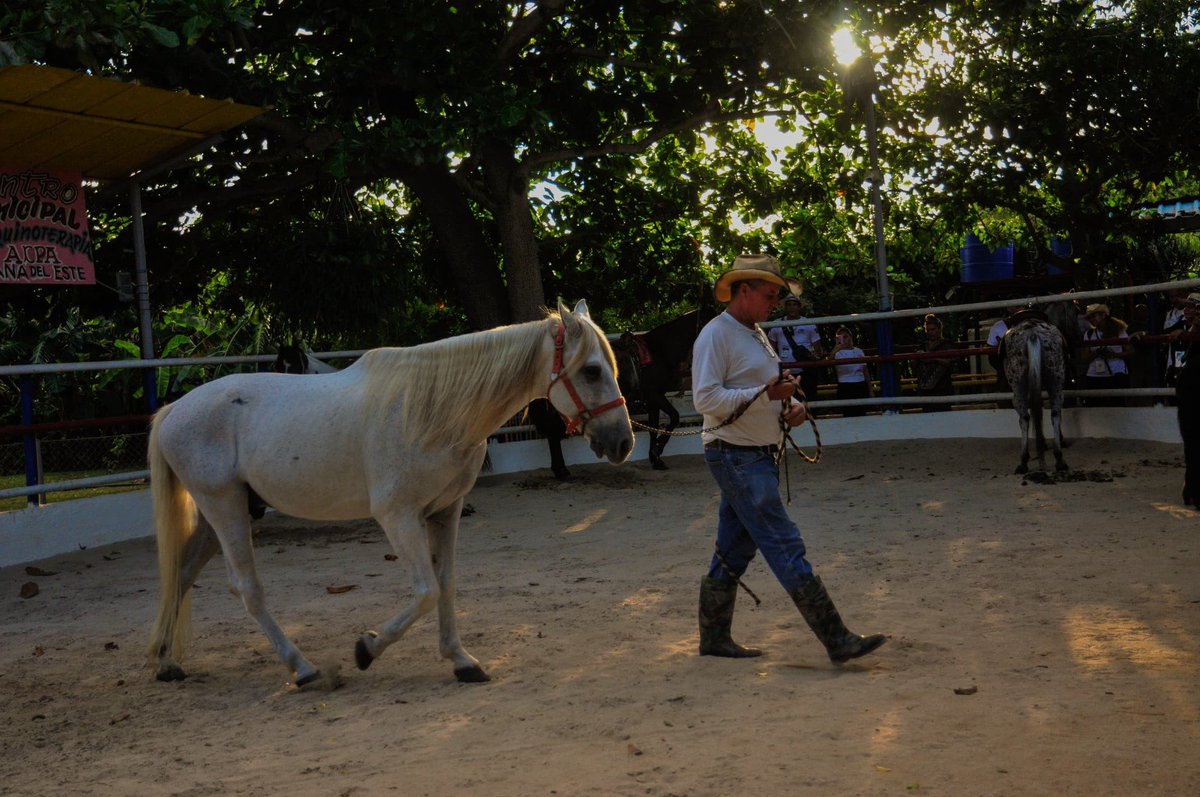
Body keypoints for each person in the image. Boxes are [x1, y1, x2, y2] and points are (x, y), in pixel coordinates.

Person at [692, 253, 886, 663]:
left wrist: (792, 405)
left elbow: (766, 389)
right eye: (770, 295)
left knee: (734, 548)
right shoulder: (716, 335)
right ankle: (836, 639)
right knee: (783, 540)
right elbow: (705, 399)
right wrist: (767, 396)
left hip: (752, 454)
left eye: (778, 296)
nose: (775, 303)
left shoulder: (755, 333)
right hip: (736, 454)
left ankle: (713, 638)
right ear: (743, 291)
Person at [767, 294, 825, 404]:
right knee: (788, 402)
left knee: (809, 399)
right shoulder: (776, 325)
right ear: (785, 307)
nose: (791, 307)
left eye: (794, 304)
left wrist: (813, 358)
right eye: (789, 305)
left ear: (799, 307)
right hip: (785, 371)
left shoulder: (808, 324)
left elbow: (817, 348)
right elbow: (771, 348)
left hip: (806, 370)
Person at [1174, 293, 1200, 505]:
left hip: (1193, 393)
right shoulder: (1186, 331)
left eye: (1194, 307)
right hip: (1189, 394)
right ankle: (1192, 489)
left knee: (1194, 441)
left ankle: (1194, 490)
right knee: (1192, 441)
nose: (1188, 310)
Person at [1082, 303, 1133, 405]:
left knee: (1117, 406)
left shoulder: (1119, 331)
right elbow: (1084, 357)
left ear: (1103, 315)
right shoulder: (1089, 334)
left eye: (1094, 316)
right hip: (1094, 376)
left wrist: (1114, 354)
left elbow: (1131, 351)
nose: (1092, 319)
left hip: (1116, 374)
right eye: (1090, 317)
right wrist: (1096, 354)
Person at [915, 313, 957, 412]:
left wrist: (934, 359)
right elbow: (913, 362)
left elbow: (952, 363)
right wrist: (918, 356)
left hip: (942, 387)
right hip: (925, 388)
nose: (930, 332)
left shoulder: (947, 345)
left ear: (939, 329)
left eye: (932, 329)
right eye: (928, 330)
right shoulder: (922, 345)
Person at [829, 326, 870, 417]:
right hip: (845, 386)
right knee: (848, 413)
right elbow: (828, 364)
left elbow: (865, 371)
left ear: (850, 337)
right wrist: (835, 349)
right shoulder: (836, 353)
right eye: (840, 337)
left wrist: (870, 389)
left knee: (862, 412)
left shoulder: (859, 351)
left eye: (845, 336)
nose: (843, 339)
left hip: (860, 385)